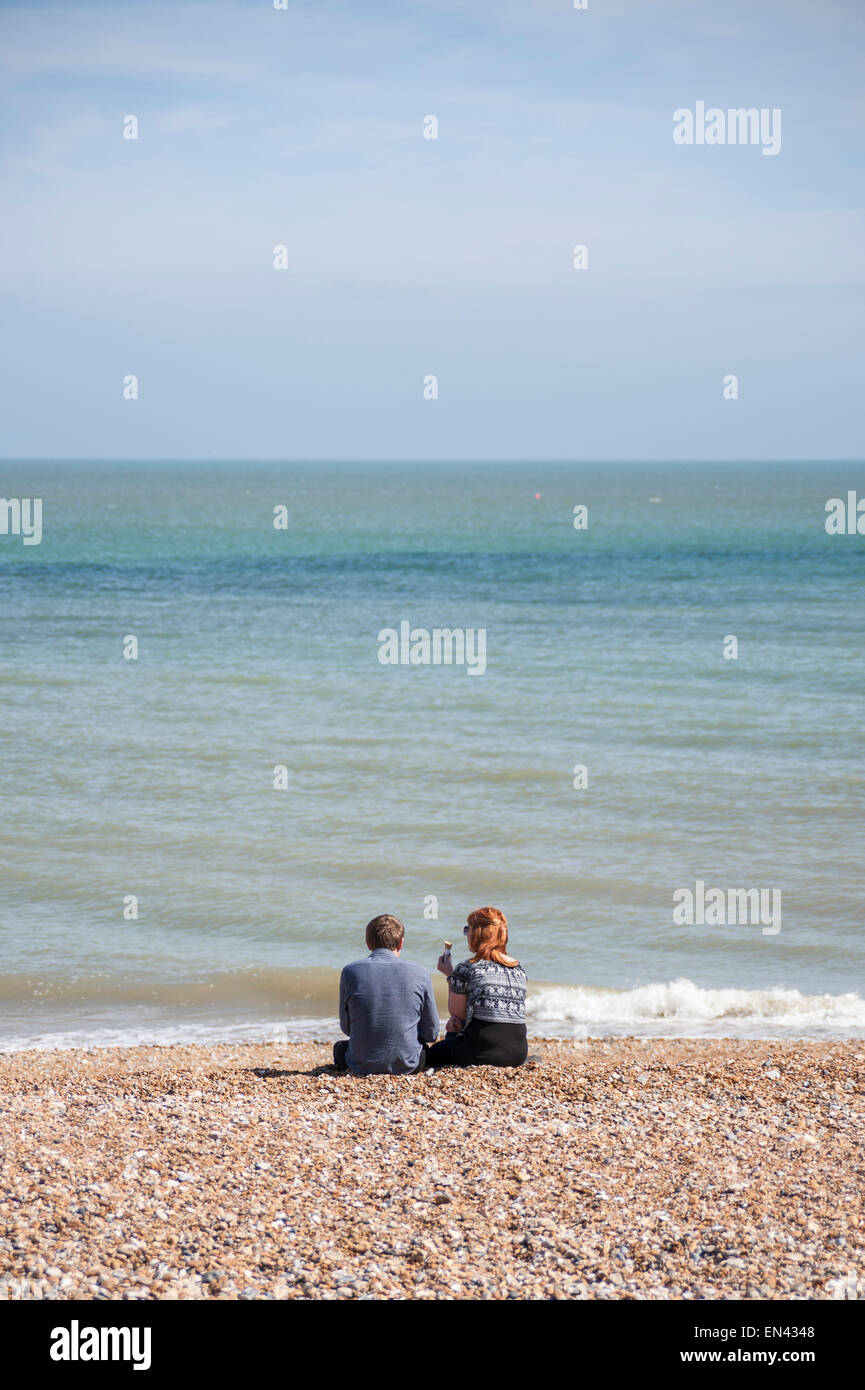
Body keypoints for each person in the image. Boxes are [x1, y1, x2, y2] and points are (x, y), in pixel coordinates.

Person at [333, 914, 439, 1076]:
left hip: (360, 1064)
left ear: (368, 943)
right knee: (424, 1049)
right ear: (401, 942)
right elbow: (431, 1033)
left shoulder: (350, 972)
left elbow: (347, 1028)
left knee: (340, 1049)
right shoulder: (421, 973)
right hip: (408, 1064)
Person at [426, 906, 528, 1068]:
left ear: (478, 934)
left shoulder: (466, 969)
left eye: (468, 930)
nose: (466, 935)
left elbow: (457, 1016)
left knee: (432, 1053)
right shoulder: (518, 969)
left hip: (481, 1052)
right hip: (518, 1054)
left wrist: (450, 975)